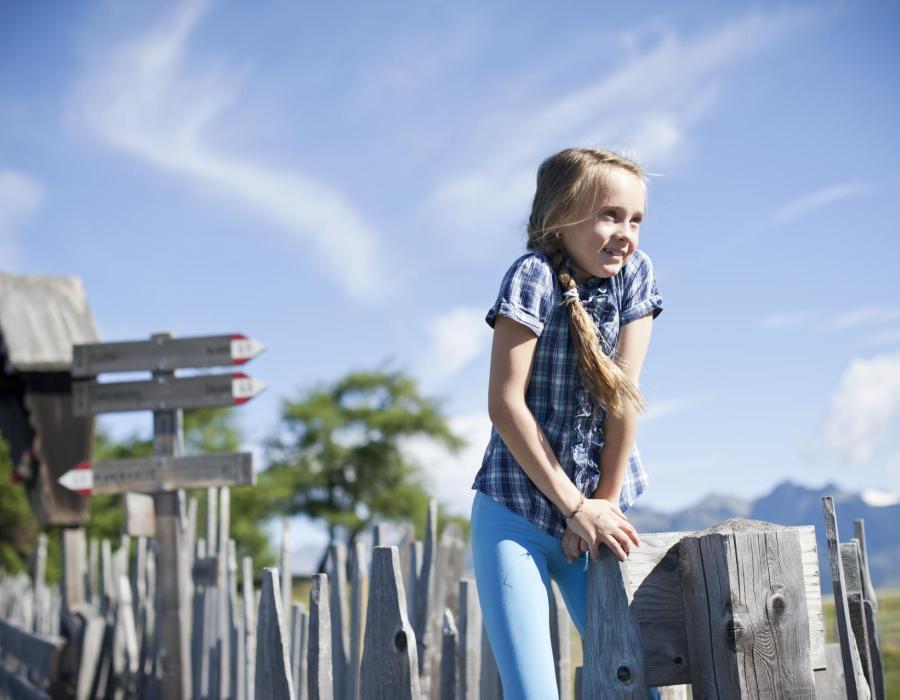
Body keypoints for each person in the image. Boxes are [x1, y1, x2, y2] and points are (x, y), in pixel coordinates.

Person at [469, 146, 664, 698]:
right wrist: (572, 507)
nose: (625, 233)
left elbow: (623, 399)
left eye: (636, 220)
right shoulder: (531, 277)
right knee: (533, 693)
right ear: (561, 216)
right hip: (516, 516)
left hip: (597, 522)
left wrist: (600, 505)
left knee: (634, 682)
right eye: (609, 215)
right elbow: (506, 405)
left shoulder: (636, 276)